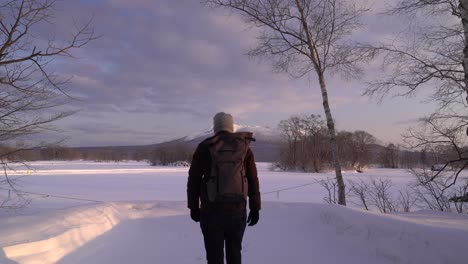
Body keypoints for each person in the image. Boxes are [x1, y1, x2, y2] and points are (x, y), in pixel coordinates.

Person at [187, 112, 261, 264]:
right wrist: (255, 208)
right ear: (231, 126)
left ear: (215, 127)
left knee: (214, 257)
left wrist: (193, 207)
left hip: (211, 211)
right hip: (237, 210)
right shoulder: (244, 147)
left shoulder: (205, 147)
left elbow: (193, 180)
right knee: (235, 253)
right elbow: (253, 180)